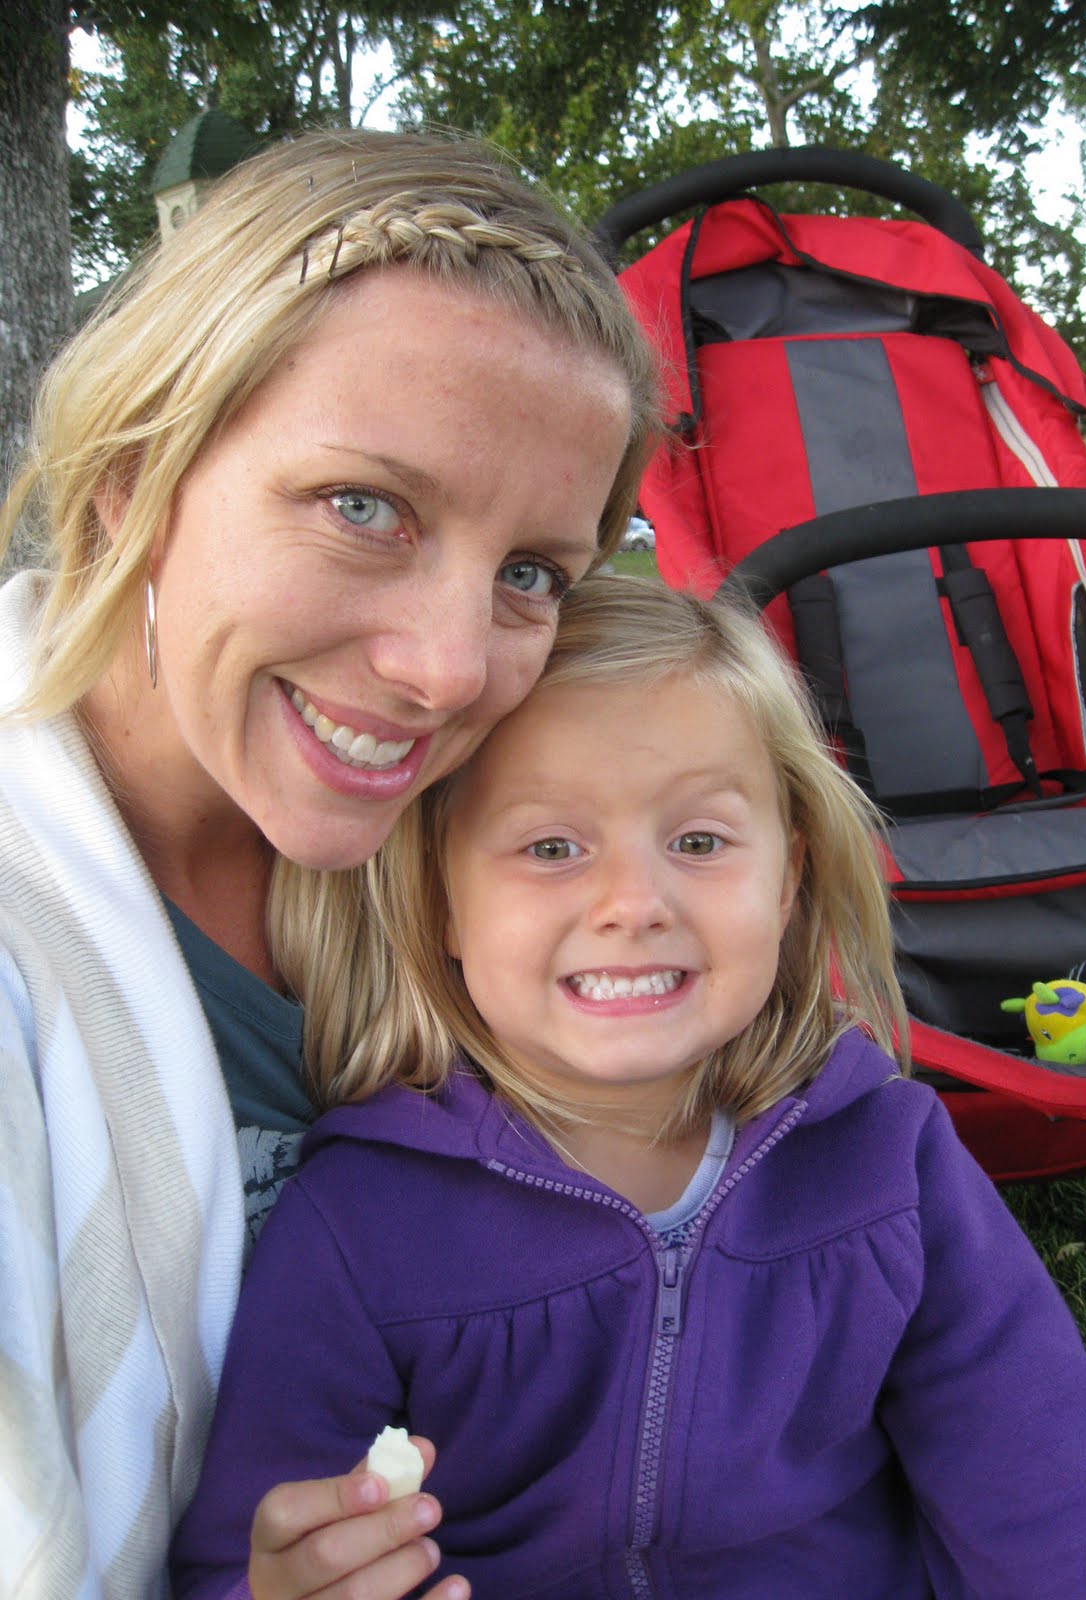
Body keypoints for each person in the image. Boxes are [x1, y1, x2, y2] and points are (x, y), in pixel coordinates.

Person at [172, 576, 1086, 1600]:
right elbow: (247, 1549)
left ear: (788, 878)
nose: (634, 902)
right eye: (552, 847)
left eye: (698, 842)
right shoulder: (362, 1222)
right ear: (441, 897)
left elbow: (1062, 1491)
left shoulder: (887, 1160)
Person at [0, 128, 658, 1600]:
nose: (449, 671)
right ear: (134, 476)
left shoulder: (486, 862)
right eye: (365, 507)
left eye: (531, 575)